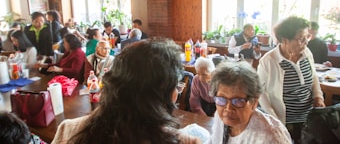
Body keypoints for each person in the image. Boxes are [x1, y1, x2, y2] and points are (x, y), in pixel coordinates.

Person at [51, 38, 201, 143]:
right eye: (176, 86)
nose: (177, 93)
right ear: (160, 94)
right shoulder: (178, 141)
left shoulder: (69, 130)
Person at [257, 16, 325, 144]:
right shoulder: (269, 61)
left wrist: (318, 97)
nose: (306, 42)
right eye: (301, 39)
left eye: (307, 37)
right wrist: (275, 122)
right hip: (285, 121)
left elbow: (313, 76)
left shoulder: (306, 52)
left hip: (309, 118)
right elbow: (261, 93)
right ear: (284, 40)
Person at [209, 61, 291, 143]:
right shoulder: (221, 117)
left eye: (238, 101)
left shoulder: (270, 137)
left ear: (254, 102)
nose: (228, 108)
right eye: (222, 99)